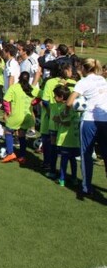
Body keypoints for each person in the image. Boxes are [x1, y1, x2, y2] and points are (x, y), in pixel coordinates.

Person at [65, 58, 107, 197]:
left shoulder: (83, 82)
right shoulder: (101, 79)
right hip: (105, 120)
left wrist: (75, 107)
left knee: (86, 154)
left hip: (89, 120)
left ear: (84, 68)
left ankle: (86, 187)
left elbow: (69, 102)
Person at [1, 71, 39, 164]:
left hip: (16, 116)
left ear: (19, 78)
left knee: (8, 131)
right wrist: (34, 102)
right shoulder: (32, 88)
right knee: (22, 134)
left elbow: (6, 100)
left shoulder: (14, 88)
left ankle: (10, 153)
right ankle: (22, 156)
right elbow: (41, 96)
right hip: (27, 116)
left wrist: (7, 112)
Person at [52, 85, 79, 187]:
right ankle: (74, 178)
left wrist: (57, 119)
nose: (54, 98)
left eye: (55, 96)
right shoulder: (76, 106)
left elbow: (66, 122)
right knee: (73, 160)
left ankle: (62, 179)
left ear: (62, 97)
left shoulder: (66, 107)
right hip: (75, 139)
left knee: (64, 160)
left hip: (66, 139)